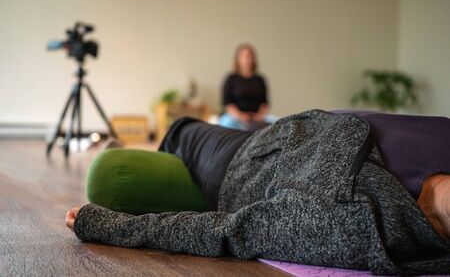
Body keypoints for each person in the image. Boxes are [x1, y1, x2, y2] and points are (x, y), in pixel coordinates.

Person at [66, 110, 450, 275]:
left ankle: (144, 153)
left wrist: (108, 226)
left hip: (240, 164)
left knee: (184, 130)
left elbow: (223, 231)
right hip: (289, 129)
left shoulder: (350, 224)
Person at [219, 44, 276, 131]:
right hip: (235, 117)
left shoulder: (259, 79)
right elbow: (227, 103)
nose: (247, 59)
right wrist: (241, 116)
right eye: (243, 56)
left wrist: (259, 117)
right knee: (226, 123)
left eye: (249, 56)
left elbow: (264, 103)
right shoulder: (231, 78)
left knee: (277, 122)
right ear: (238, 59)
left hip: (257, 117)